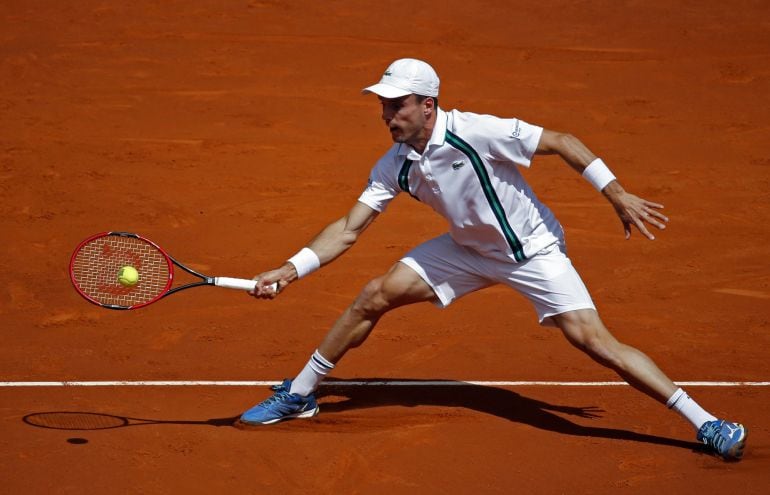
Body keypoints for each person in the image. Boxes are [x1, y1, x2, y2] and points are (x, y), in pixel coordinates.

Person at [239, 58, 747, 460]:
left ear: (429, 105)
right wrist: (290, 268)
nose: (387, 115)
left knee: (595, 342)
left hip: (533, 252)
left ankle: (706, 422)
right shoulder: (394, 164)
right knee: (375, 294)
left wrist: (616, 193)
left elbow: (562, 142)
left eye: (398, 105)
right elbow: (349, 228)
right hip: (467, 249)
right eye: (383, 105)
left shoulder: (476, 131)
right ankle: (300, 393)